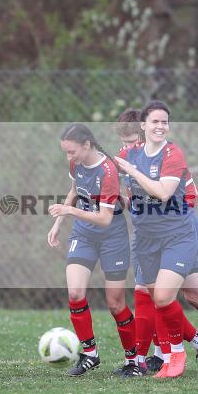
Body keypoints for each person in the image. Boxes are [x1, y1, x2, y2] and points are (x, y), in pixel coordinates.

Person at [115, 101, 198, 378]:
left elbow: (174, 195)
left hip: (182, 230)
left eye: (130, 141)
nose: (126, 146)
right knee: (194, 295)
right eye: (123, 141)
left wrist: (137, 181)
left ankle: (157, 356)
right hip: (154, 234)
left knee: (153, 293)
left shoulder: (167, 156)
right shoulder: (130, 156)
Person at [47, 123, 140, 377]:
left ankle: (133, 360)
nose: (69, 157)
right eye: (66, 152)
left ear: (87, 145)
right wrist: (57, 224)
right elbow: (74, 191)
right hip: (84, 235)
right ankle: (90, 354)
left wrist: (70, 211)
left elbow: (105, 219)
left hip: (112, 238)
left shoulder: (108, 171)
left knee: (115, 304)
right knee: (75, 293)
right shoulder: (75, 164)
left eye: (72, 151)